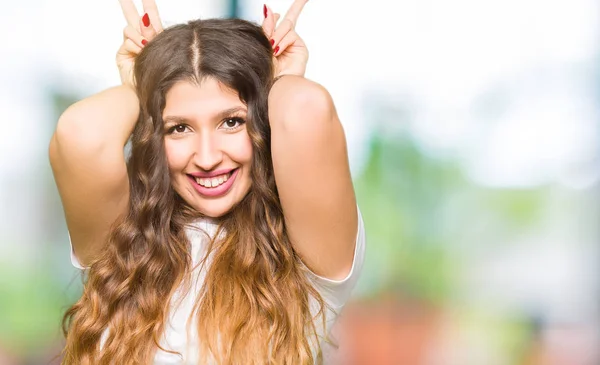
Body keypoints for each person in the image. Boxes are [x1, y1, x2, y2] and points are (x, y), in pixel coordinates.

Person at [49, 0, 366, 364]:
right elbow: (80, 134)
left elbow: (304, 109)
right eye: (179, 128)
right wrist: (143, 83)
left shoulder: (302, 254)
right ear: (154, 134)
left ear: (262, 120)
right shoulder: (126, 240)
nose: (207, 156)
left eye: (231, 122)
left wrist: (276, 79)